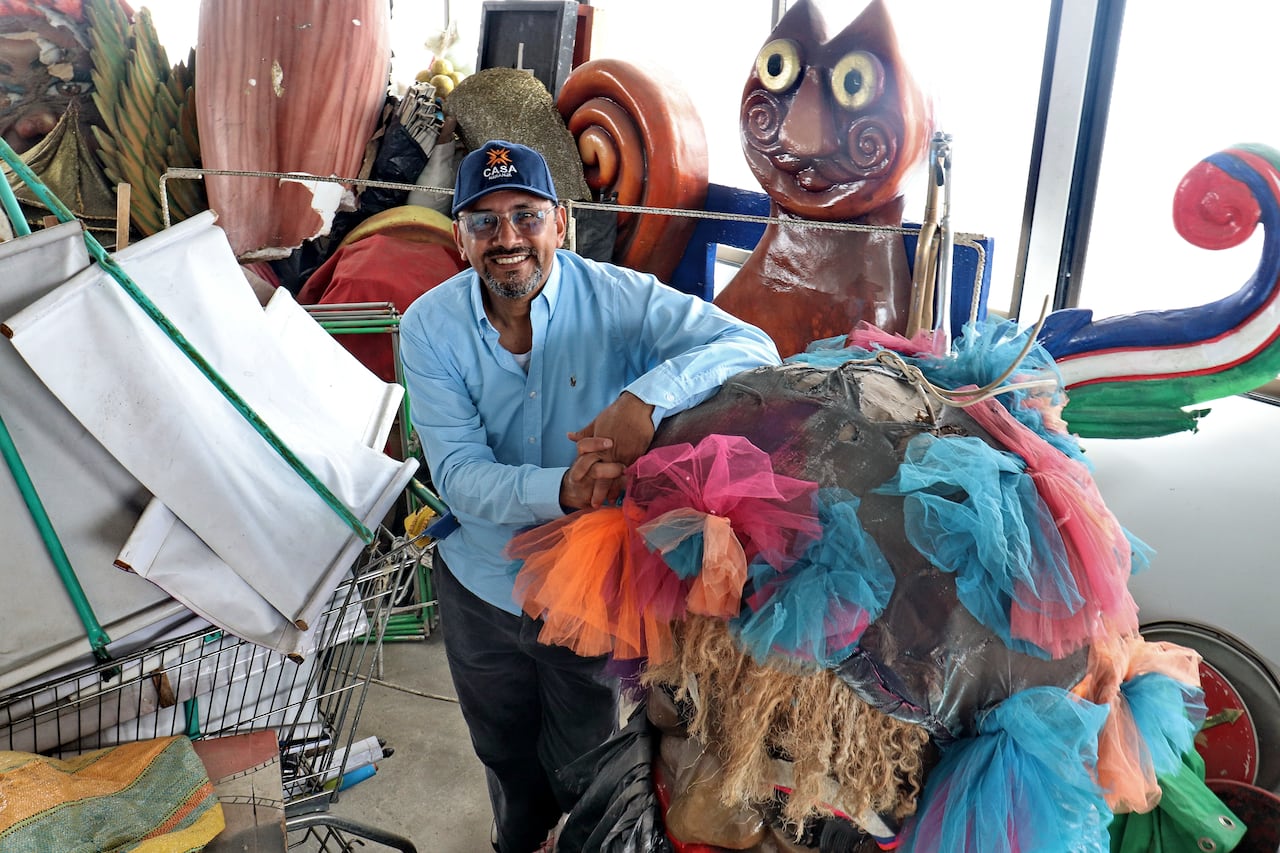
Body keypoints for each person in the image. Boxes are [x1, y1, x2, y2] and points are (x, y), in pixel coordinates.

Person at [399, 139, 781, 852]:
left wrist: (647, 396)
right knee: (504, 756)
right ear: (459, 235)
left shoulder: (617, 298)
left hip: (588, 593)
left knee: (590, 765)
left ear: (561, 221)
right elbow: (459, 475)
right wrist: (566, 490)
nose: (507, 239)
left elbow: (754, 346)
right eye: (484, 222)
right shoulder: (429, 325)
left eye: (526, 216)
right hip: (482, 585)